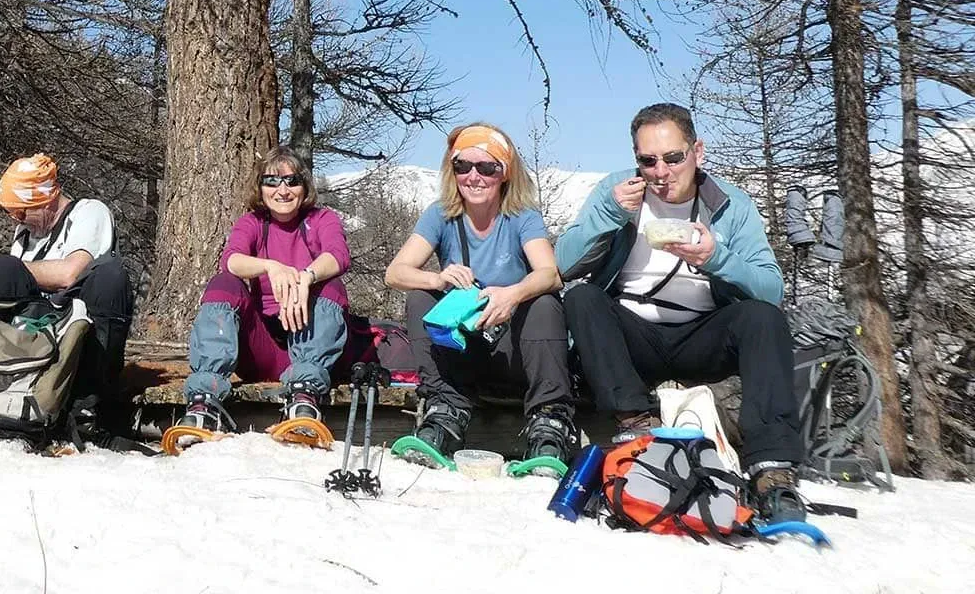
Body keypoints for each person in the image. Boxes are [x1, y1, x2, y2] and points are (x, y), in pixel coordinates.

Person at [556, 102, 805, 523]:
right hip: (633, 332)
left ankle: (772, 470)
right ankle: (635, 423)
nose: (661, 172)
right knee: (582, 298)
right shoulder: (617, 191)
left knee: (762, 318)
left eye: (674, 157)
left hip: (701, 332)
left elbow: (771, 287)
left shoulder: (729, 203)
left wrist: (716, 257)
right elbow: (561, 262)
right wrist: (610, 215)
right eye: (648, 160)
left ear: (697, 152)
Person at [385, 124, 576, 467]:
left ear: (505, 174)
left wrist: (513, 295)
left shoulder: (522, 216)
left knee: (544, 304)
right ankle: (445, 409)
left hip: (514, 352)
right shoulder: (441, 214)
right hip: (463, 346)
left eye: (487, 168)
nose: (474, 176)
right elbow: (396, 273)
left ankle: (549, 421)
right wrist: (437, 278)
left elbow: (550, 274)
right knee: (418, 298)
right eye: (463, 166)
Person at [177, 146, 351, 433]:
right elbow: (231, 260)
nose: (282, 190)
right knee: (223, 284)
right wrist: (271, 266)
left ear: (304, 185)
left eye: (291, 181)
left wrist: (307, 278)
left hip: (311, 344)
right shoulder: (253, 223)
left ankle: (304, 397)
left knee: (332, 285)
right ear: (260, 188)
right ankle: (205, 400)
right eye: (272, 181)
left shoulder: (321, 219)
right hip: (263, 348)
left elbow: (338, 254)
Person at [0, 153, 135, 441]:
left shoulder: (89, 213)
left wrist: (6, 267)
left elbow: (70, 272)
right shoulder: (24, 236)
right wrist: (3, 271)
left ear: (45, 199)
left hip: (79, 333)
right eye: (11, 214)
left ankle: (89, 404)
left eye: (21, 212)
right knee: (5, 267)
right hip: (35, 334)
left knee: (111, 277)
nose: (17, 221)